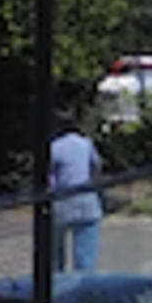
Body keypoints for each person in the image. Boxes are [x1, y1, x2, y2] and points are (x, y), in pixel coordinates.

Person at [48, 110, 103, 274]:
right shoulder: (86, 144)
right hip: (87, 200)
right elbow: (97, 165)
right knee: (86, 256)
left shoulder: (53, 148)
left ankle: (57, 286)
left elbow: (48, 175)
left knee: (55, 253)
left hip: (62, 201)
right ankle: (85, 289)